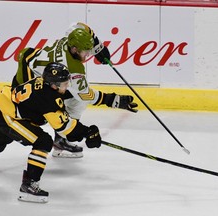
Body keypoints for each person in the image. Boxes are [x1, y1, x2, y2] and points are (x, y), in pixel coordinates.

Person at [0, 62, 102, 203]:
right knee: (43, 141)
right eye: (64, 84)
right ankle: (29, 185)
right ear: (53, 85)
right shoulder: (48, 98)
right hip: (6, 115)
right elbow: (65, 129)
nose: (67, 86)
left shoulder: (44, 83)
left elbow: (54, 105)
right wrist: (87, 132)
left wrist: (84, 130)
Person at [11, 22, 138, 158]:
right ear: (75, 49)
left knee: (69, 94)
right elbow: (85, 95)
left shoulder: (68, 39)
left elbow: (79, 25)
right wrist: (114, 100)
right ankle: (62, 139)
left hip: (29, 75)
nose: (88, 54)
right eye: (85, 51)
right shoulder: (72, 68)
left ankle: (60, 138)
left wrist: (97, 46)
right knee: (77, 101)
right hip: (30, 94)